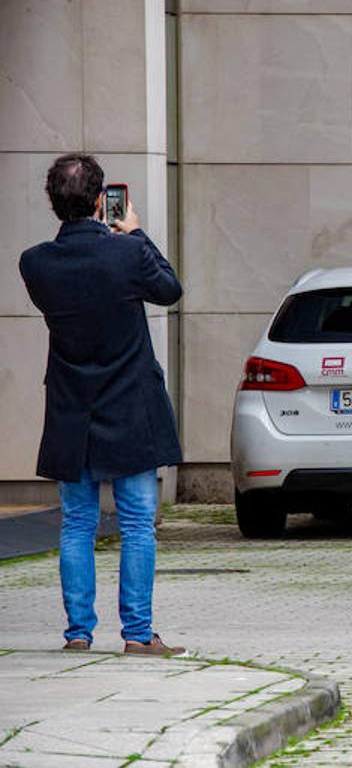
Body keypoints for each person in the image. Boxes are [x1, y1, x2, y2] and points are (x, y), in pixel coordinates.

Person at [18, 154, 184, 655]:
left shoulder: (35, 262)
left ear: (53, 202)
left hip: (72, 407)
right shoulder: (127, 253)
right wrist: (134, 233)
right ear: (99, 201)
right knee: (136, 523)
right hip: (129, 404)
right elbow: (169, 288)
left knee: (77, 523)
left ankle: (78, 634)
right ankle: (137, 635)